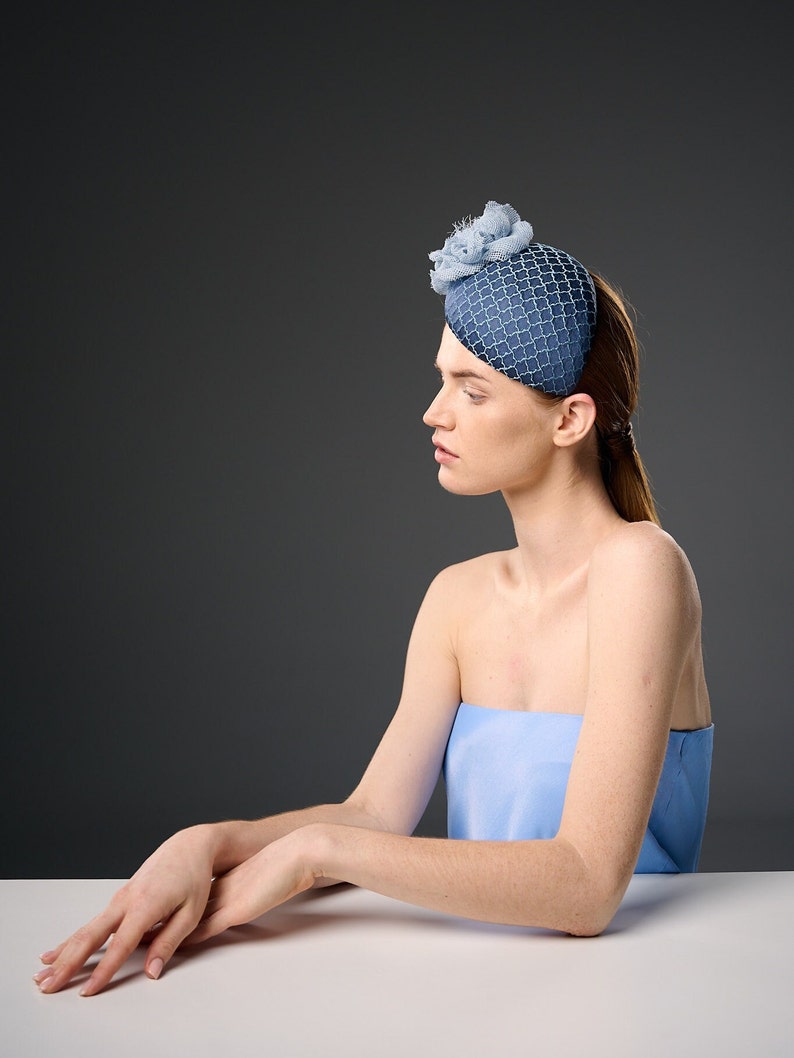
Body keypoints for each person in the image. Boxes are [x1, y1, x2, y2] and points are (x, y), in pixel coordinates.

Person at [34, 200, 712, 997]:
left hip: (634, 995)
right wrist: (211, 841)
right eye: (441, 381)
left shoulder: (642, 567)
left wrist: (317, 852)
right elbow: (376, 814)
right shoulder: (456, 598)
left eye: (474, 390)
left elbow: (587, 884)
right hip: (483, 989)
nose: (435, 412)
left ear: (570, 419)